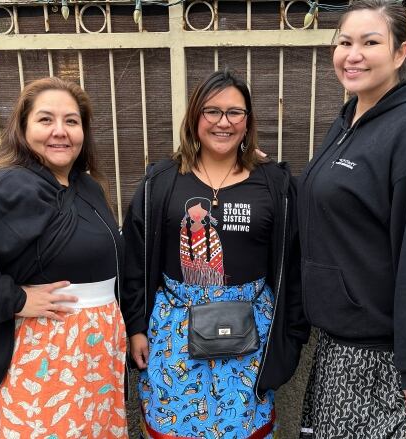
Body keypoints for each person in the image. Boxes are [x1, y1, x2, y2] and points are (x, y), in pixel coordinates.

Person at [0, 77, 128, 438]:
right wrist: (15, 298)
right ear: (24, 128)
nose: (60, 132)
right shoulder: (13, 184)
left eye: (71, 121)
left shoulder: (86, 186)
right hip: (48, 352)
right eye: (46, 120)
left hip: (97, 353)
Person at [297, 1, 406, 437]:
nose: (354, 55)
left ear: (401, 53)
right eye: (345, 42)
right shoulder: (351, 118)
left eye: (371, 42)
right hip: (334, 342)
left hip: (372, 354)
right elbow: (325, 197)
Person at [122, 69, 308, 438]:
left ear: (248, 120)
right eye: (212, 111)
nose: (223, 122)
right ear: (195, 117)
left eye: (235, 112)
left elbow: (296, 261)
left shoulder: (275, 183)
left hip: (251, 336)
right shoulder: (161, 181)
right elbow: (134, 258)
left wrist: (291, 334)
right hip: (173, 333)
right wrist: (136, 327)